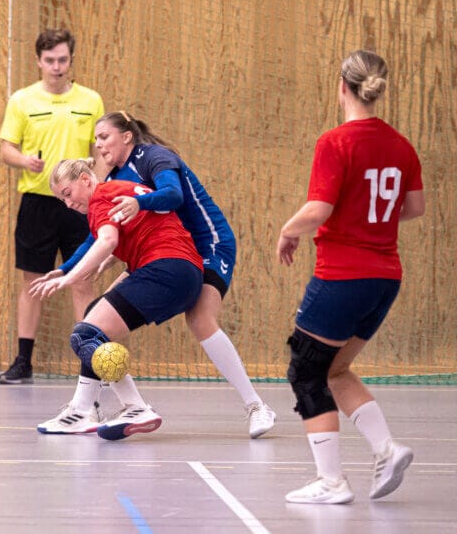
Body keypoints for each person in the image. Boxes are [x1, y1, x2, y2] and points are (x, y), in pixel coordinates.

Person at [55, 111, 277, 438]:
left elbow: (174, 196)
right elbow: (102, 232)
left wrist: (136, 207)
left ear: (127, 136)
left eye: (105, 137)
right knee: (98, 315)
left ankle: (256, 406)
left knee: (200, 318)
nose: (99, 144)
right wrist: (65, 269)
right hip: (167, 251)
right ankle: (87, 408)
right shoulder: (118, 175)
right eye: (96, 139)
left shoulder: (154, 157)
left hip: (208, 243)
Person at [277, 50, 425, 504]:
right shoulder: (400, 144)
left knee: (305, 369)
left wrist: (288, 229)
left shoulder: (336, 142)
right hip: (385, 278)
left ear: (342, 86)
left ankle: (332, 482)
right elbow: (414, 208)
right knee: (336, 369)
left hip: (343, 275)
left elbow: (319, 209)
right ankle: (386, 449)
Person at [31, 158, 205, 440]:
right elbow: (110, 237)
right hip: (185, 272)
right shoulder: (117, 191)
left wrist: (70, 278)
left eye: (67, 194)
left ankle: (135, 407)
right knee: (92, 322)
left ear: (86, 180)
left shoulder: (100, 198)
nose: (68, 204)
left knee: (85, 334)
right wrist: (70, 268)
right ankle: (81, 410)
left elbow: (107, 239)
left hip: (164, 269)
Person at [0, 28, 105, 384]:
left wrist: (99, 186)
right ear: (38, 61)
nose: (56, 67)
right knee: (33, 281)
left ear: (71, 60)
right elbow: (5, 148)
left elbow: (102, 150)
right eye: (49, 60)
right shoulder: (22, 100)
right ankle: (23, 361)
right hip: (38, 204)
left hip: (80, 207)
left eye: (62, 60)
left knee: (82, 278)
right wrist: (23, 160)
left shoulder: (91, 100)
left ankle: (89, 360)